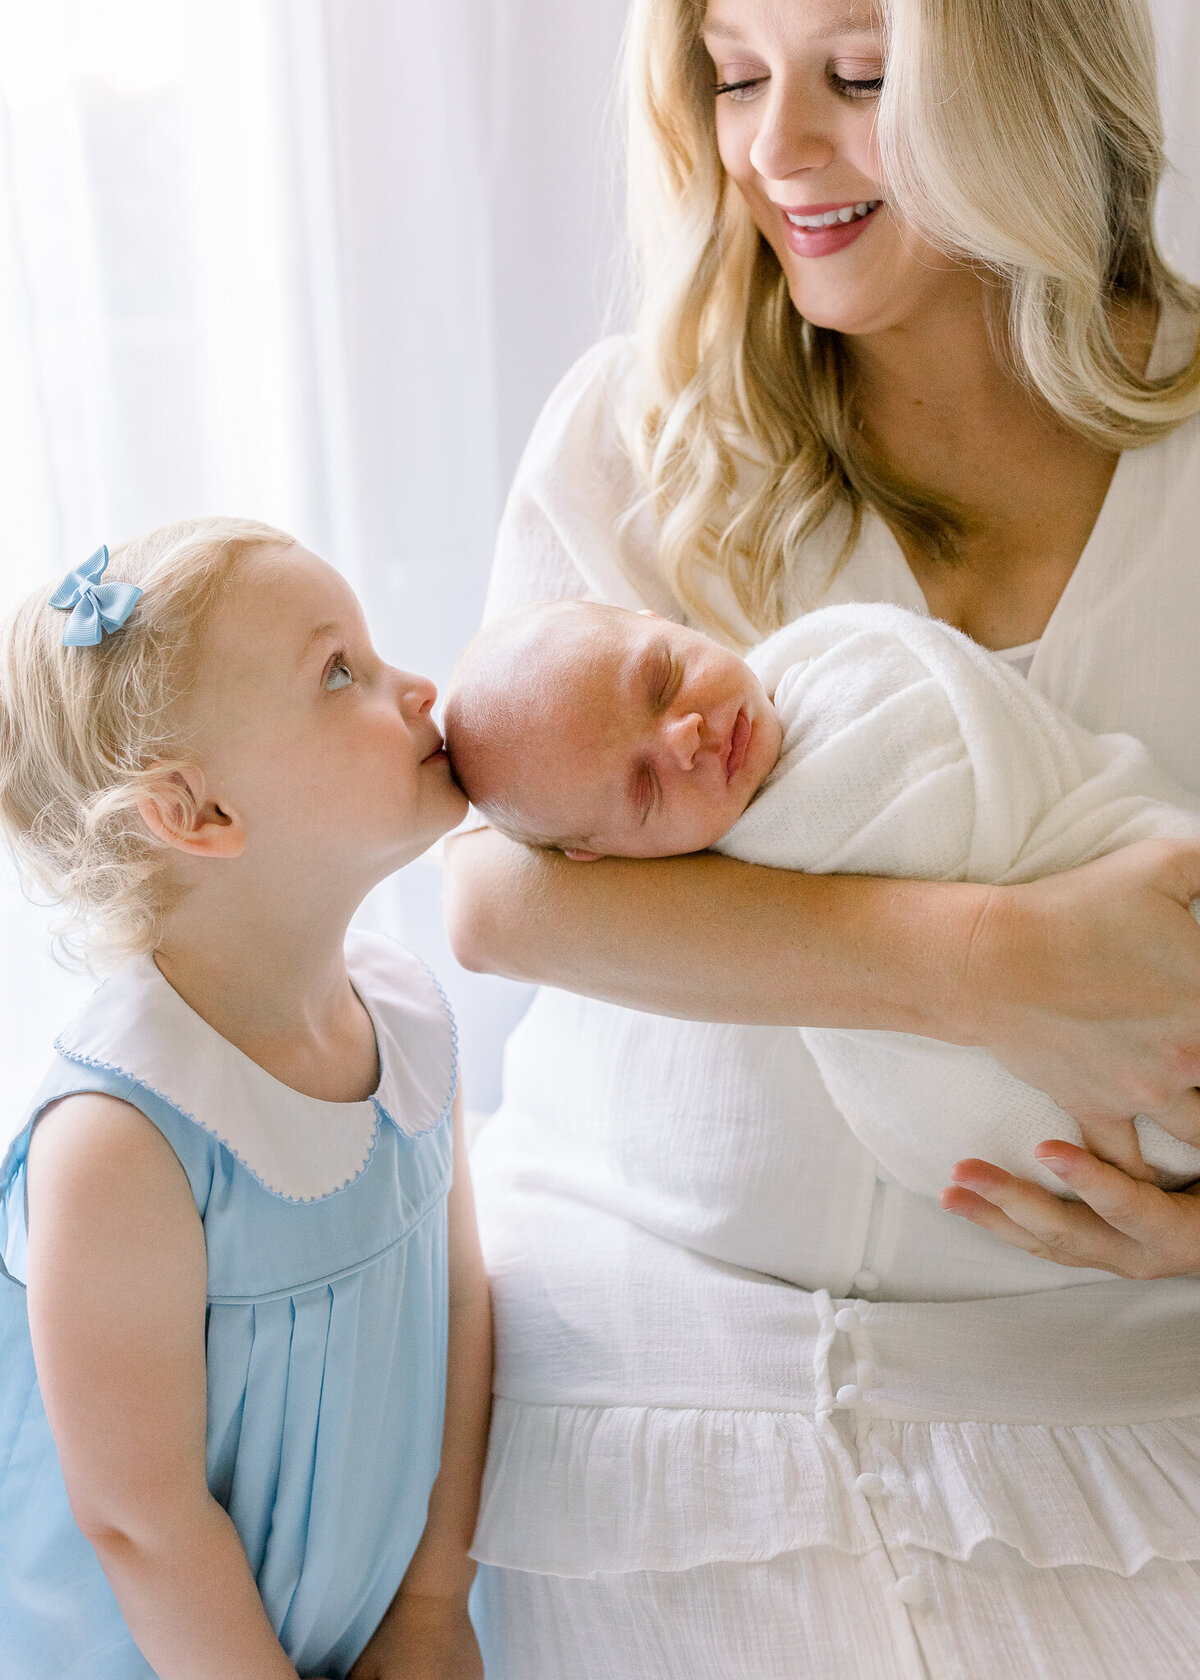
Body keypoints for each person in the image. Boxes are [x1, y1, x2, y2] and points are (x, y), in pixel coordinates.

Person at [444, 0, 1200, 1674]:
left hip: (1119, 1414)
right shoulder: (644, 433)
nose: (778, 150)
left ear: (1035, 83)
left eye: (861, 79)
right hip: (653, 1400)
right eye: (734, 78)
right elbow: (494, 897)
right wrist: (988, 967)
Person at [0, 519, 490, 1680]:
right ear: (198, 815)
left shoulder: (408, 1022)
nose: (419, 687)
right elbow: (141, 1517)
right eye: (341, 673)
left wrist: (431, 1601)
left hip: (374, 1618)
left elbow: (465, 1309)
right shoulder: (126, 1140)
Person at [444, 593, 1200, 1193]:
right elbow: (483, 906)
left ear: (656, 619)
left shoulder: (844, 671)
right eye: (643, 787)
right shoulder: (746, 853)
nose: (683, 737)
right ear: (597, 854)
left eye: (662, 680)